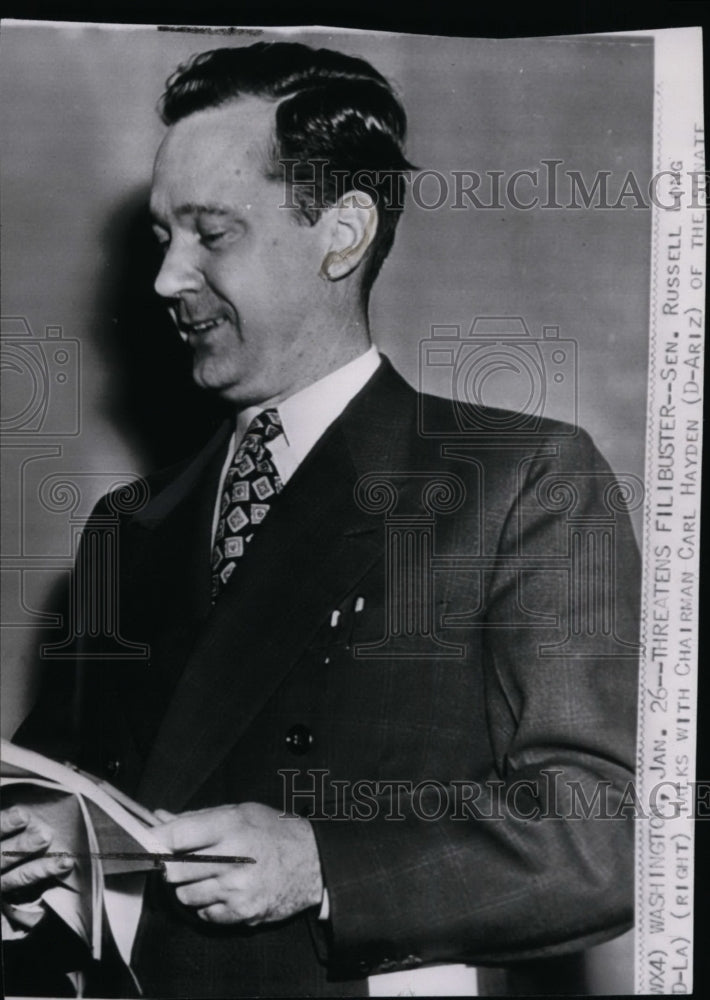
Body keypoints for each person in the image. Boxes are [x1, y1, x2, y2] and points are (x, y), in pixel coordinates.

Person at [1, 41, 640, 997]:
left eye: (212, 234)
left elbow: (591, 842)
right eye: (161, 236)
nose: (167, 280)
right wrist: (31, 858)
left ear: (341, 234)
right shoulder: (125, 526)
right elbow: (58, 799)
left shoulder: (519, 482)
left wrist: (323, 865)